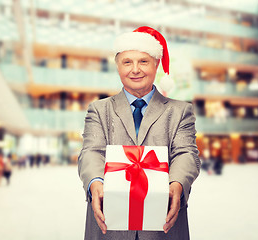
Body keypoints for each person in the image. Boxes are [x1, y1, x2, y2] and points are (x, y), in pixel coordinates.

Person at [78, 26, 201, 240]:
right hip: (109, 225)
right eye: (127, 62)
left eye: (143, 61)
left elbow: (186, 154)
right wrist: (95, 182)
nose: (135, 69)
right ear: (118, 67)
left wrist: (177, 183)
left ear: (156, 64)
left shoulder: (180, 111)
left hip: (163, 226)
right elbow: (91, 152)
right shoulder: (99, 110)